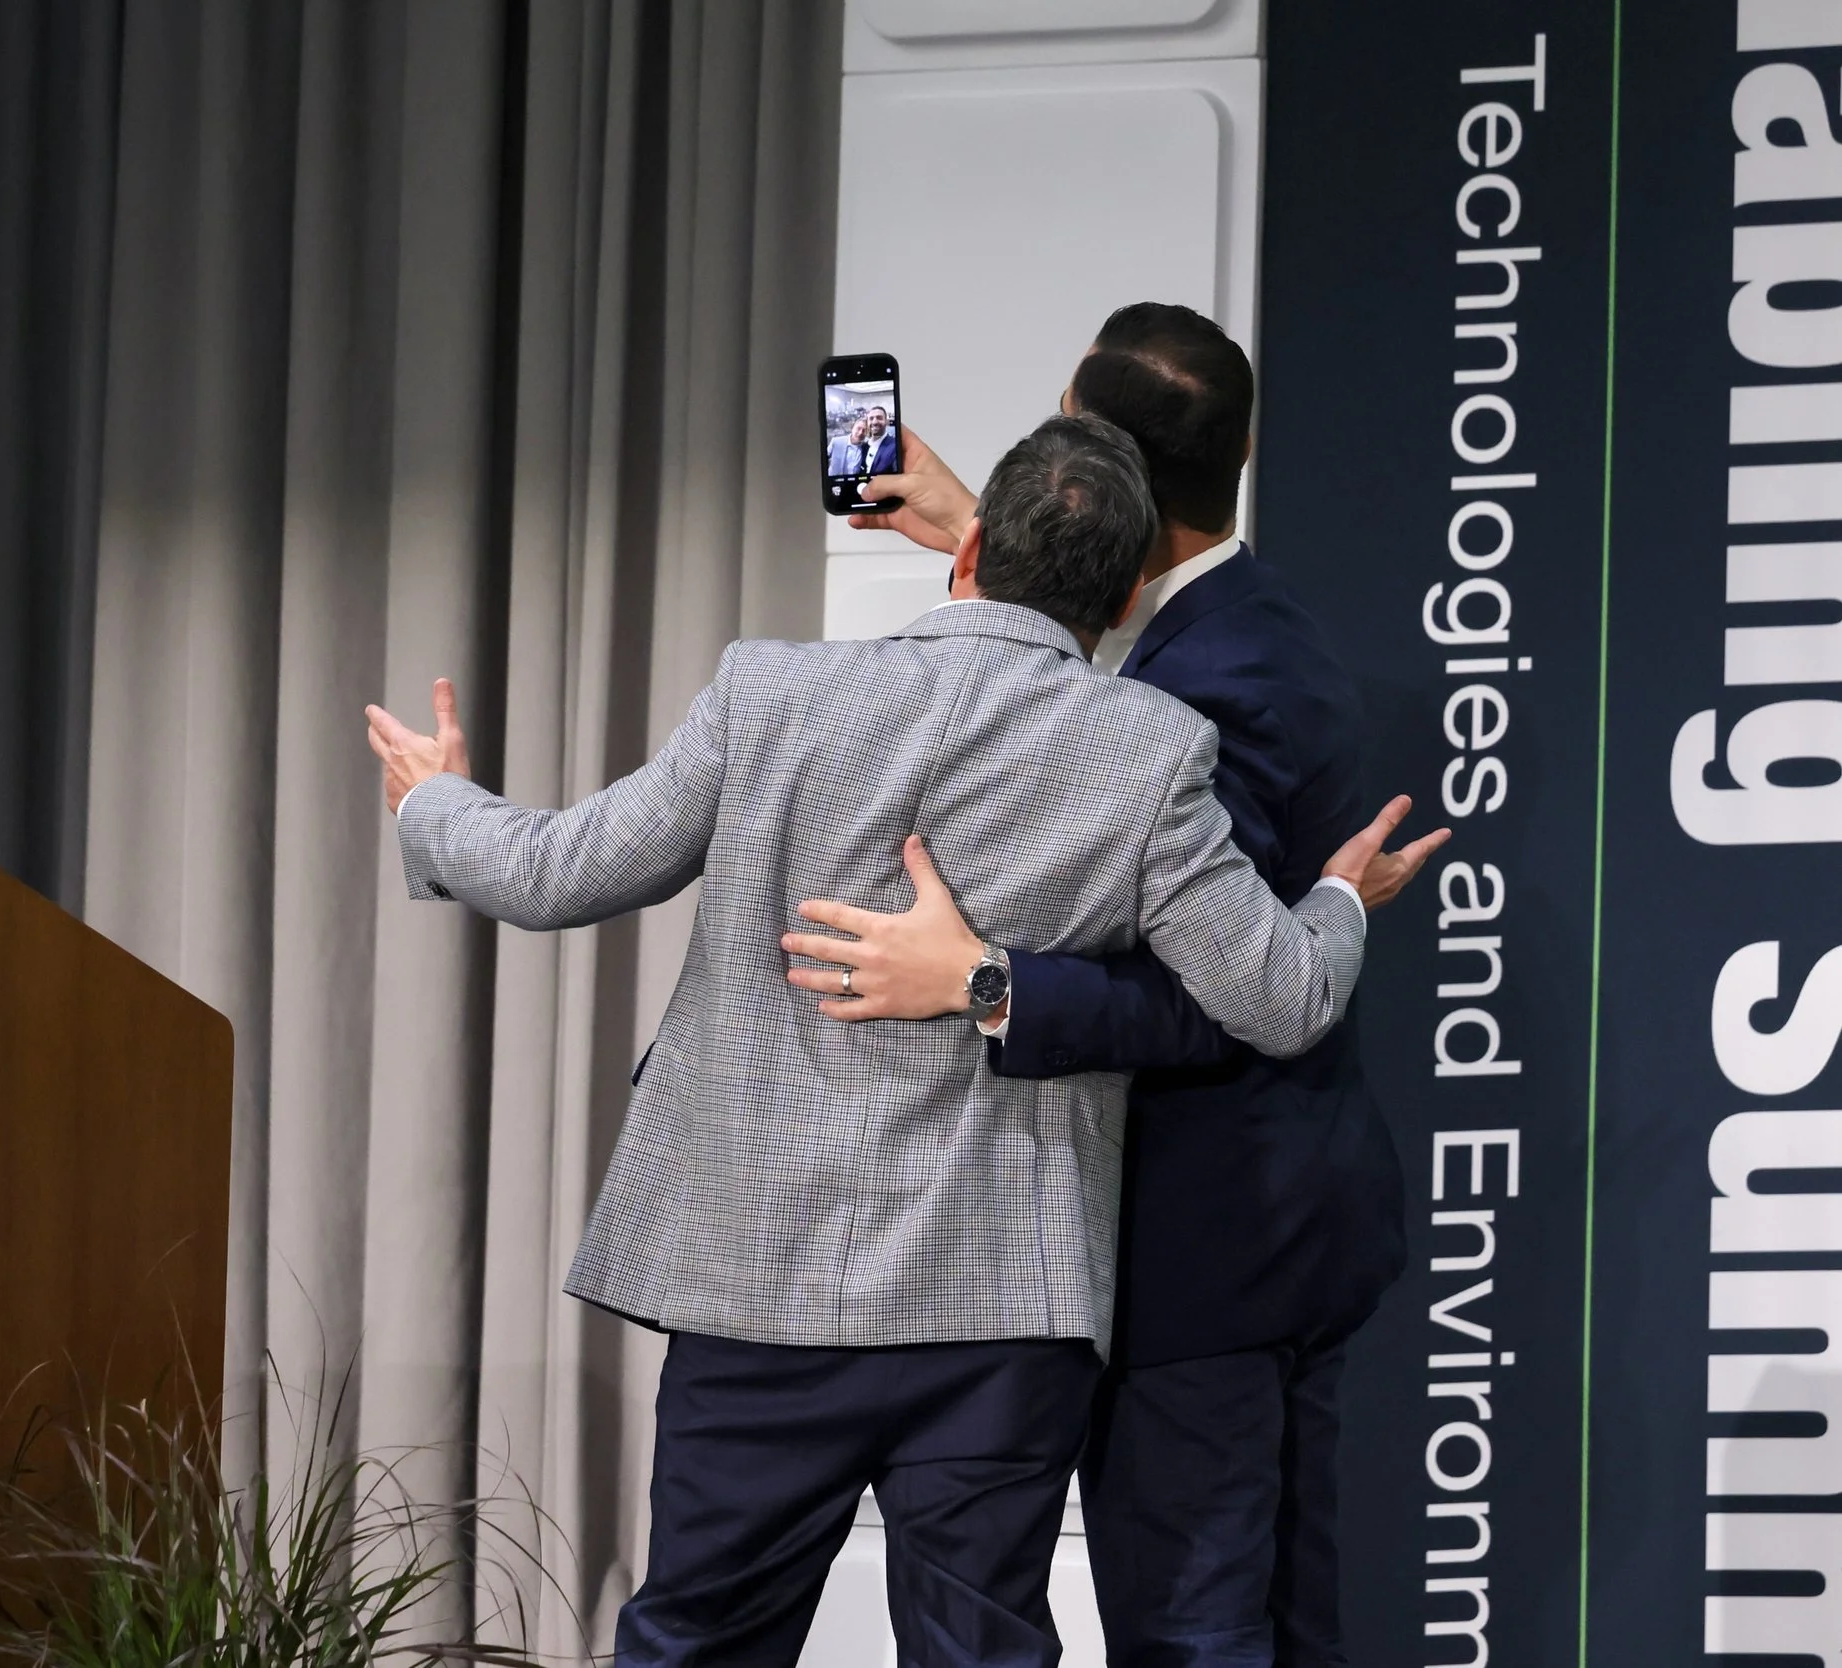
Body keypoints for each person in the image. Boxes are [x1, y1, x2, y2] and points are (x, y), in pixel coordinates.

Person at [364, 413, 1446, 1668]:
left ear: (966, 549)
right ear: (1117, 606)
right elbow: (1280, 999)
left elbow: (555, 874)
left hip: (753, 1286)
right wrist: (1334, 901)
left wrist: (436, 800)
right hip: (999, 1309)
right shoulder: (1151, 752)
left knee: (698, 1641)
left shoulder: (771, 691)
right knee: (978, 1651)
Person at [797, 303, 1417, 1668]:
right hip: (1276, 1229)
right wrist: (991, 537)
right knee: (1272, 1618)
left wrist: (983, 984)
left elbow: (1217, 993)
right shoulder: (1242, 625)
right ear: (1242, 451)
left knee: (1195, 1632)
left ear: (1101, 451)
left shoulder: (1212, 693)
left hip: (1211, 1254)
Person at [859, 403, 900, 474]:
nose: (874, 422)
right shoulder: (863, 446)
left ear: (886, 421)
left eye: (879, 418)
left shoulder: (895, 446)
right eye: (871, 418)